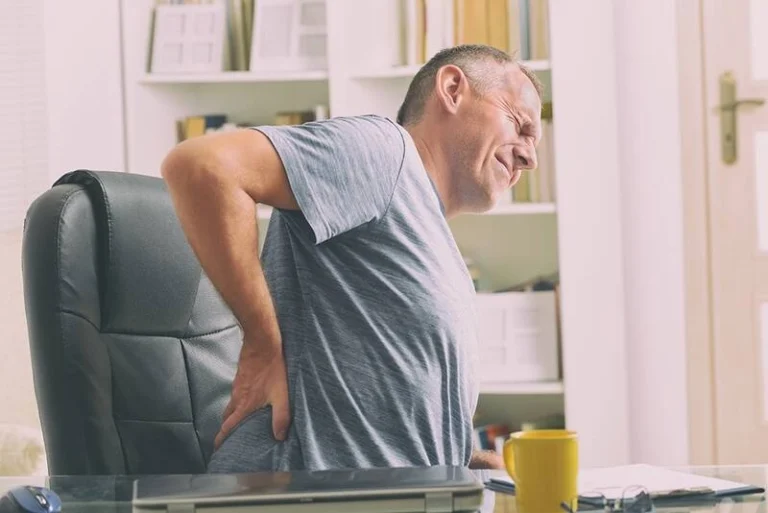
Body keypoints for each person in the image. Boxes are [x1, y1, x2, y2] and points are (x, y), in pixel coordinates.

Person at [160, 44, 543, 473]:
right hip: (298, 497)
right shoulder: (385, 152)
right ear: (453, 89)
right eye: (521, 124)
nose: (530, 157)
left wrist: (461, 463)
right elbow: (201, 166)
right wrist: (262, 345)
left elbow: (377, 413)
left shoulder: (431, 233)